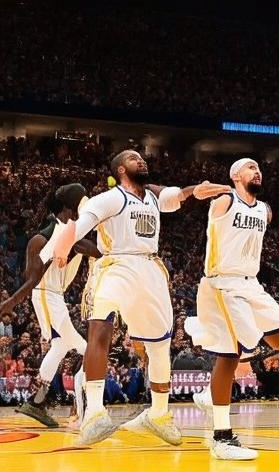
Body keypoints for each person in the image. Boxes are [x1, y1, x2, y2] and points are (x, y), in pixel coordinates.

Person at [51, 149, 229, 446]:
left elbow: (176, 195)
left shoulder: (152, 195)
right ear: (121, 169)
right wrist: (64, 244)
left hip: (150, 268)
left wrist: (194, 190)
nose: (141, 160)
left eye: (141, 157)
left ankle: (158, 414)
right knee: (100, 327)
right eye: (133, 158)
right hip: (117, 264)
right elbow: (81, 225)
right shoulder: (110, 198)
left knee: (160, 345)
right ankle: (94, 414)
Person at [185, 158, 279, 460]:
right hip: (222, 284)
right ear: (235, 175)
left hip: (252, 284)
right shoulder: (225, 200)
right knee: (231, 353)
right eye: (250, 167)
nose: (257, 171)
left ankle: (209, 393)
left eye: (258, 168)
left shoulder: (264, 210)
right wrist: (215, 188)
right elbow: (201, 194)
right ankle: (222, 437)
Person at [0, 184, 101, 427]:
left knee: (60, 346)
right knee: (88, 351)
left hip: (53, 295)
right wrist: (11, 302)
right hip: (47, 295)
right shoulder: (53, 234)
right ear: (72, 207)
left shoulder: (66, 231)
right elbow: (33, 278)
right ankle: (84, 405)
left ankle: (36, 402)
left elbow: (88, 248)